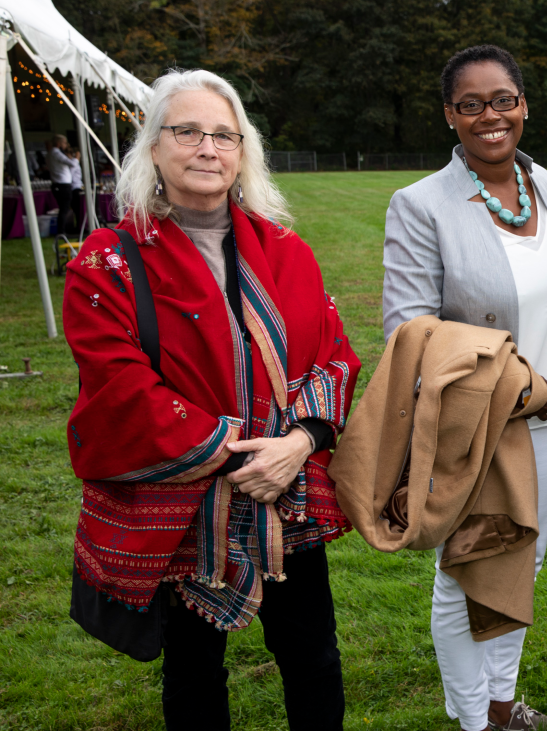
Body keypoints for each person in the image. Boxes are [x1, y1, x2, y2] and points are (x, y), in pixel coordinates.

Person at [64, 68, 361, 731]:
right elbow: (120, 385)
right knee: (194, 669)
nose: (207, 148)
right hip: (186, 503)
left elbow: (336, 355)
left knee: (313, 656)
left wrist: (299, 444)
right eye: (188, 131)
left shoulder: (286, 251)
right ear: (154, 147)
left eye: (224, 135)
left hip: (285, 494)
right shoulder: (108, 260)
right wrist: (243, 457)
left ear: (242, 151)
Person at [381, 44, 547, 732]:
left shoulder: (543, 184)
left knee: (523, 565)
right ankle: (474, 722)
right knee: (466, 571)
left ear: (523, 104)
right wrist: (518, 384)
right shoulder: (421, 204)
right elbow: (409, 332)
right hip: (479, 424)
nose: (489, 116)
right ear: (449, 114)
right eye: (471, 104)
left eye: (502, 100)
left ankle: (503, 706)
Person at [41, 134, 72, 234]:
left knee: (64, 208)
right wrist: (76, 158)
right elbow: (72, 163)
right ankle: (62, 231)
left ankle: (63, 230)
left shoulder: (50, 153)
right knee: (64, 208)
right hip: (62, 184)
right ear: (59, 143)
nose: (66, 145)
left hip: (58, 183)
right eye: (64, 143)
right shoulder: (56, 153)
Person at [67, 147, 83, 234]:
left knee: (77, 209)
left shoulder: (73, 163)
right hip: (74, 187)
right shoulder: (73, 163)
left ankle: (79, 227)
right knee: (77, 209)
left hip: (76, 187)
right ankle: (78, 227)